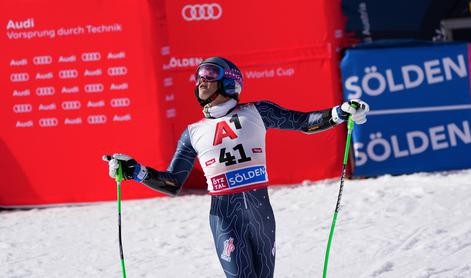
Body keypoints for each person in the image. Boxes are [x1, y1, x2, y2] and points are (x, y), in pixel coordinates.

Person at [106, 57, 369, 278]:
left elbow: (303, 122)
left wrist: (339, 113)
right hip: (225, 218)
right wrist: (135, 171)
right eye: (198, 76)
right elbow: (172, 183)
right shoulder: (192, 133)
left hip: (260, 214)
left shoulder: (257, 112)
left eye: (208, 74)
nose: (201, 80)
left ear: (229, 81)